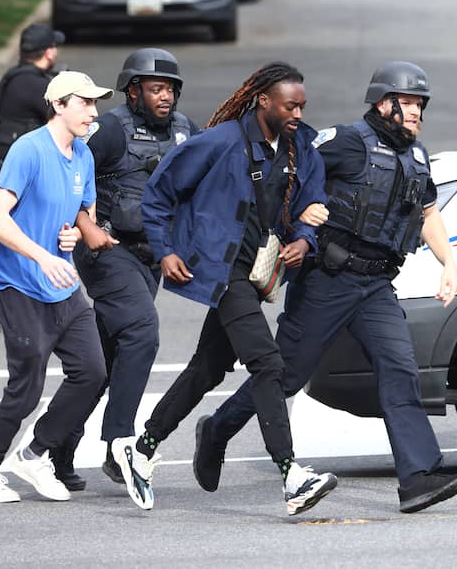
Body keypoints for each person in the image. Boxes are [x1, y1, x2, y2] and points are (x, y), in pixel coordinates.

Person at [195, 61, 457, 513]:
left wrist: (449, 262)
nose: (418, 111)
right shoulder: (345, 142)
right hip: (327, 280)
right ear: (385, 104)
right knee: (285, 376)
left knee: (399, 366)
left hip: (377, 284)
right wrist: (294, 223)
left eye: (422, 104)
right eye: (410, 102)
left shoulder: (416, 157)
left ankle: (418, 477)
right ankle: (218, 430)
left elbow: (428, 214)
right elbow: (292, 174)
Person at [110, 62, 337, 515]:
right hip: (222, 269)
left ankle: (142, 447)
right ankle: (291, 475)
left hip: (255, 272)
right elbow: (158, 195)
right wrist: (165, 250)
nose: (297, 112)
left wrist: (304, 239)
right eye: (290, 105)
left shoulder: (300, 149)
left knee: (208, 368)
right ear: (263, 101)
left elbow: (313, 201)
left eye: (302, 105)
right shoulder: (219, 142)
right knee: (268, 365)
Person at [50, 49, 201, 492]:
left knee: (101, 363)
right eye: (156, 88)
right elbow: (67, 174)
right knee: (142, 332)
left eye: (170, 88)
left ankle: (54, 445)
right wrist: (85, 225)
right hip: (107, 249)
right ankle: (119, 443)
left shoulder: (185, 130)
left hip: (150, 258)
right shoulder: (110, 130)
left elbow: (209, 175)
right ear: (133, 90)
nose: (165, 96)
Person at [0, 71, 113, 504]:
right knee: (26, 385)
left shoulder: (83, 155)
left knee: (92, 372)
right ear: (60, 105)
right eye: (85, 103)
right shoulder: (27, 150)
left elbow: (83, 214)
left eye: (94, 103)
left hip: (62, 284)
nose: (93, 111)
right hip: (18, 282)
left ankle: (33, 453)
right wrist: (43, 255)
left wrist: (73, 236)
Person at [0, 23, 65, 332]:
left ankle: (0, 301)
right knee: (12, 235)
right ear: (49, 51)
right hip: (5, 174)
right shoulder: (32, 84)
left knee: (15, 234)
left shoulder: (16, 77)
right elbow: (60, 118)